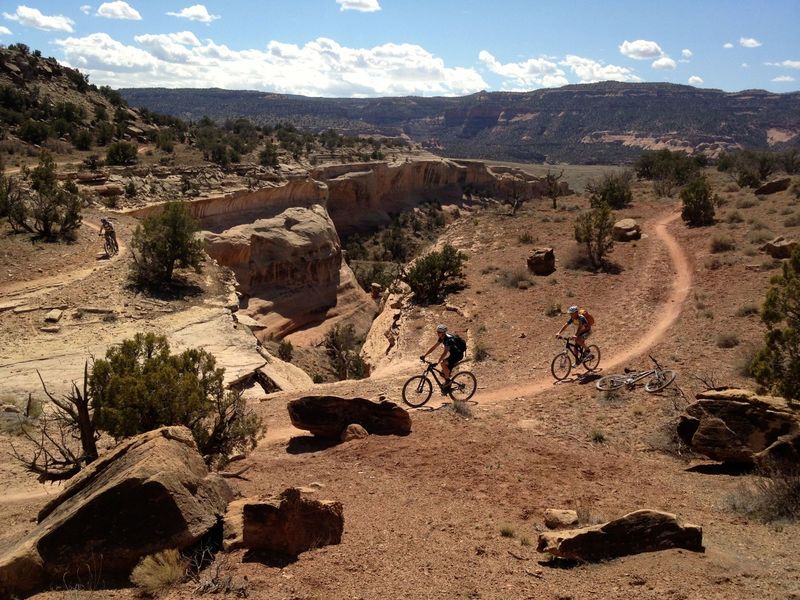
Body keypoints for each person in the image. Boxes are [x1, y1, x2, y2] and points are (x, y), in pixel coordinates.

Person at [420, 324, 464, 390]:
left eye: (439, 332)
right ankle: (448, 386)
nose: (438, 333)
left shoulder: (448, 340)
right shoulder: (442, 338)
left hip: (458, 355)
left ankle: (448, 382)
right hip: (453, 354)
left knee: (443, 364)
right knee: (442, 373)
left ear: (443, 333)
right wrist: (425, 355)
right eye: (437, 332)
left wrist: (438, 362)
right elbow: (434, 347)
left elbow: (445, 352)